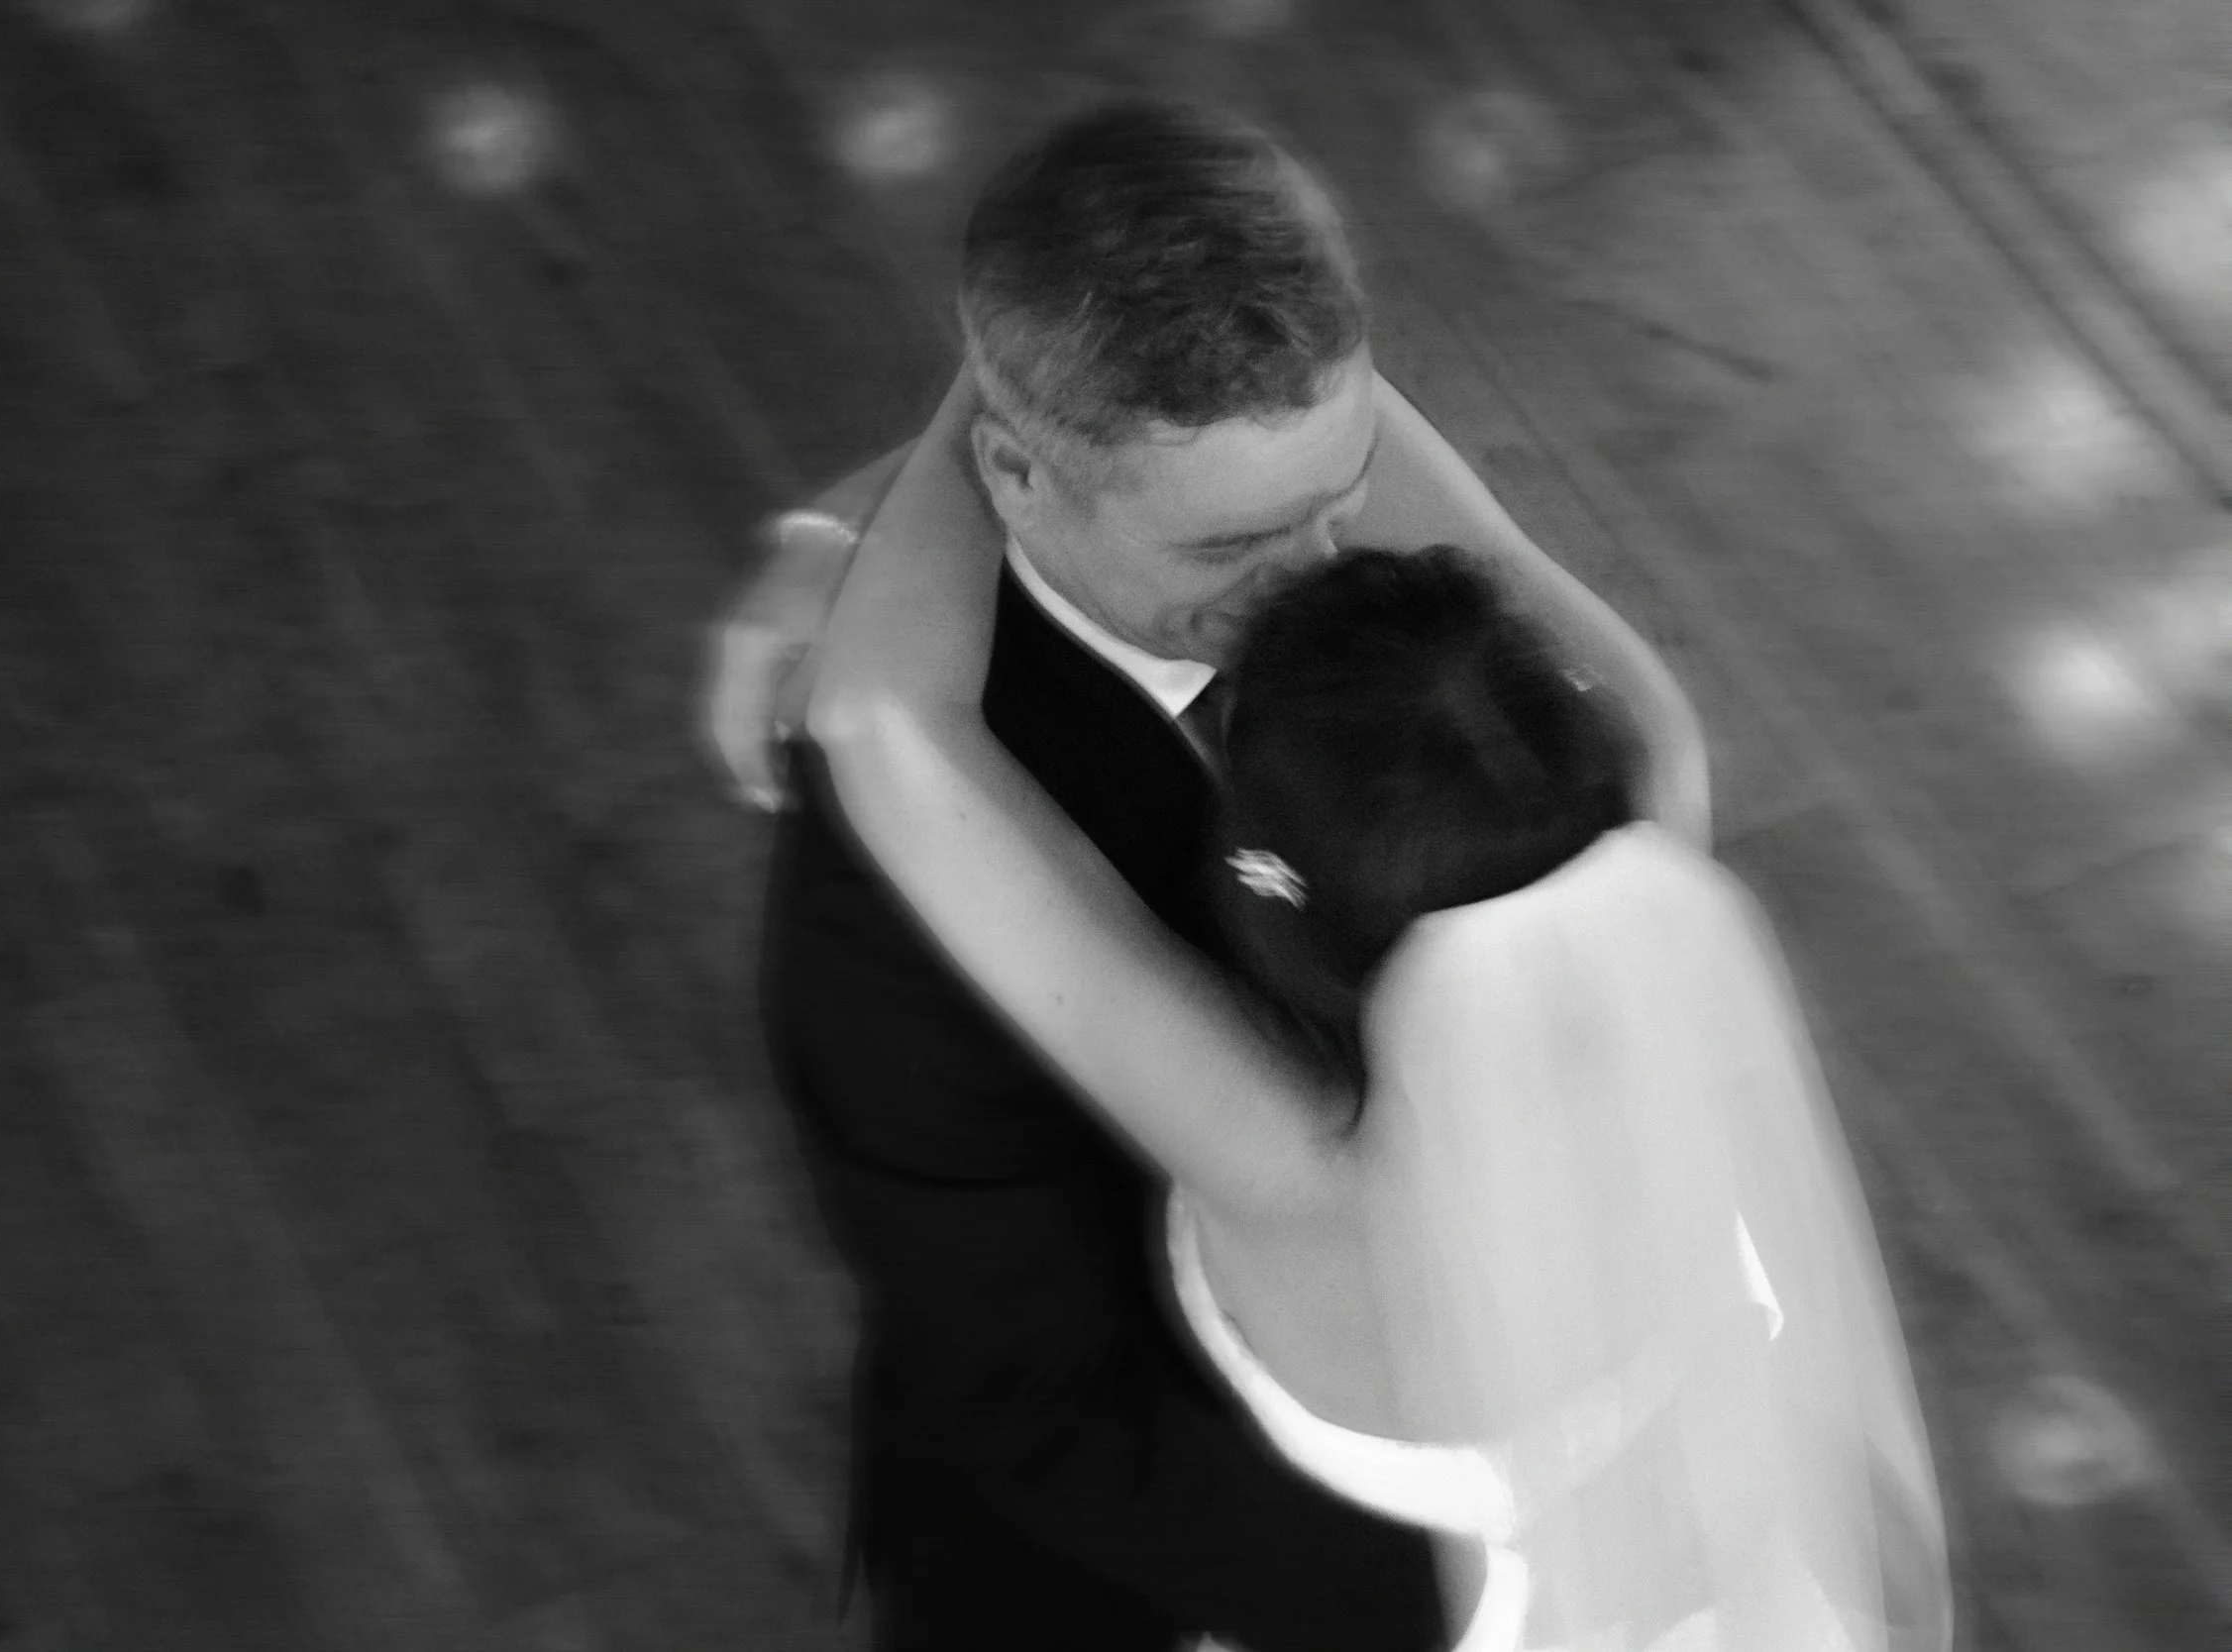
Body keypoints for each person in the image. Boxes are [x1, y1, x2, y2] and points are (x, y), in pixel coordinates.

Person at [748, 98, 1711, 1651]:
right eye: (1231, 546)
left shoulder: (1487, 706)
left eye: (1342, 495)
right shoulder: (884, 919)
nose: (1323, 580)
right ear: (1017, 470)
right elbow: (1038, 1402)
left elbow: (882, 710)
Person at [807, 494, 1956, 1644]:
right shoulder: (1661, 828)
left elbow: (877, 719)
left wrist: (1033, 404)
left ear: (1273, 888)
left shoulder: (1299, 1171)